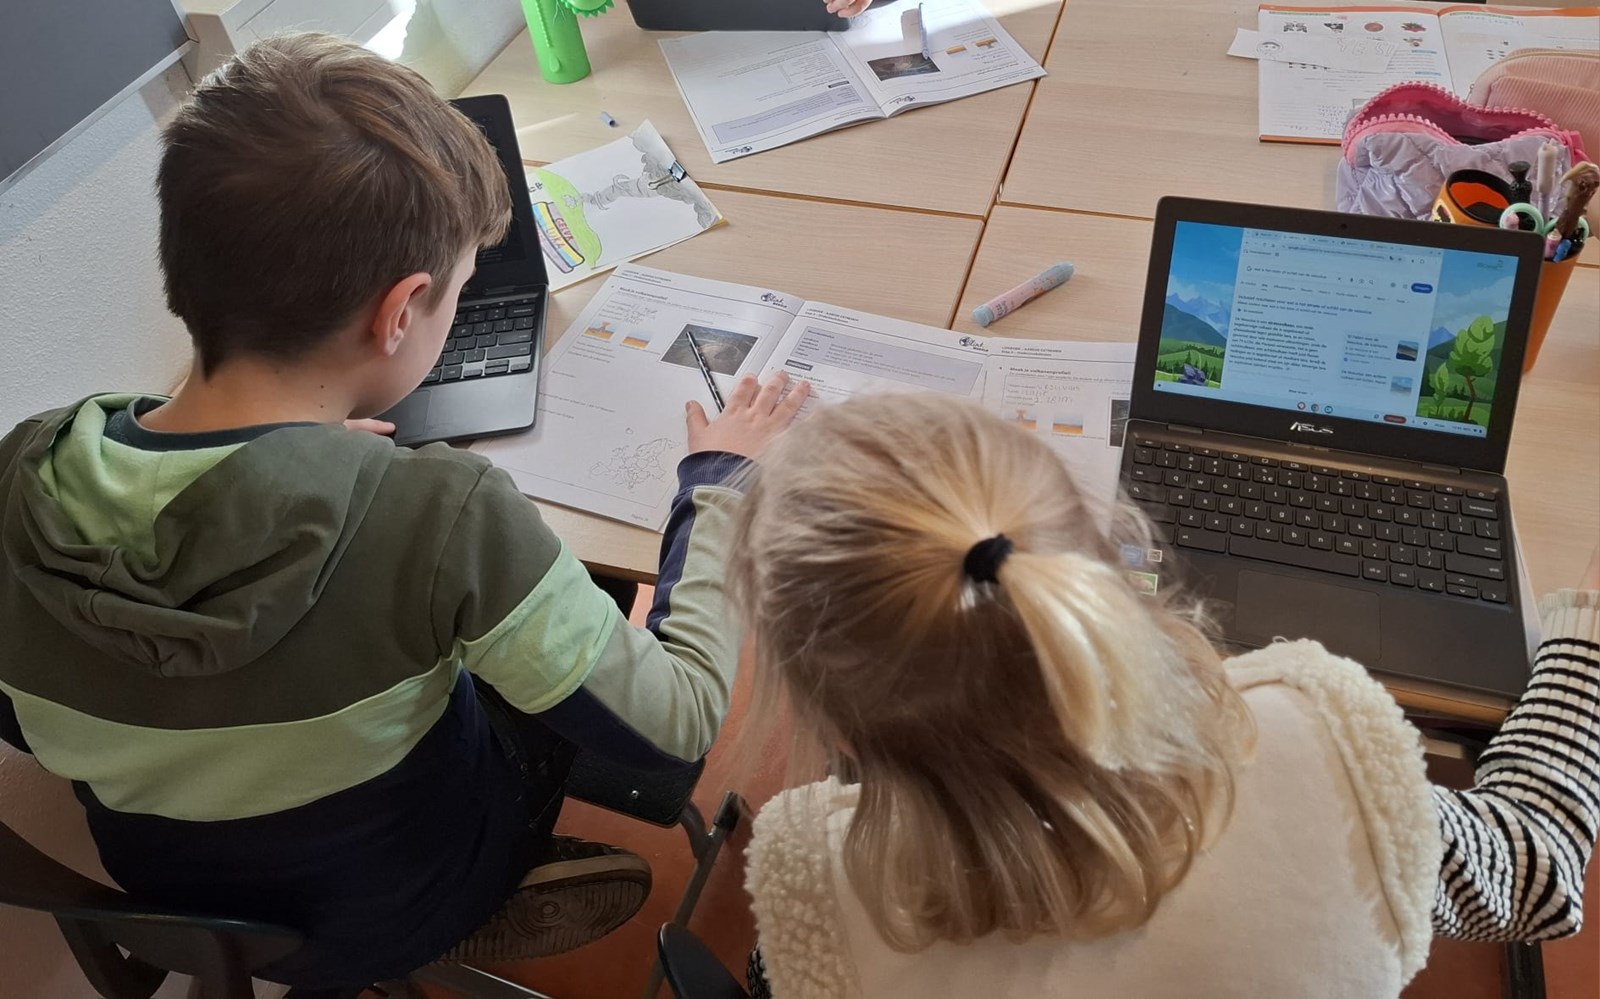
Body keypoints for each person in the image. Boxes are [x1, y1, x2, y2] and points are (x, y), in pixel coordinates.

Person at [0, 33, 806, 990]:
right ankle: (485, 895)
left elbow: (22, 720)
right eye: (459, 290)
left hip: (174, 889)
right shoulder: (444, 514)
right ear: (400, 312)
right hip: (396, 893)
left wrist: (286, 464)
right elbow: (678, 723)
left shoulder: (24, 467)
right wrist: (718, 481)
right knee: (576, 601)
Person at [731, 394, 1598, 999]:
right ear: (1100, 562)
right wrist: (1586, 634)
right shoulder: (1322, 745)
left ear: (832, 727)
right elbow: (1541, 869)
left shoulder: (815, 900)